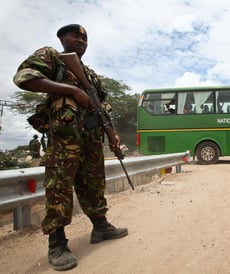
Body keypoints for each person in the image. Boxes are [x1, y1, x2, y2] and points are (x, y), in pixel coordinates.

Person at [13, 24, 128, 271]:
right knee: (60, 189)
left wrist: (113, 133)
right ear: (62, 38)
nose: (80, 41)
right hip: (65, 139)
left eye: (84, 39)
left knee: (94, 184)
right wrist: (72, 90)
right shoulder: (52, 57)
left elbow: (103, 107)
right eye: (75, 36)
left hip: (91, 140)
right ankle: (57, 243)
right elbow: (24, 78)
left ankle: (101, 226)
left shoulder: (91, 74)